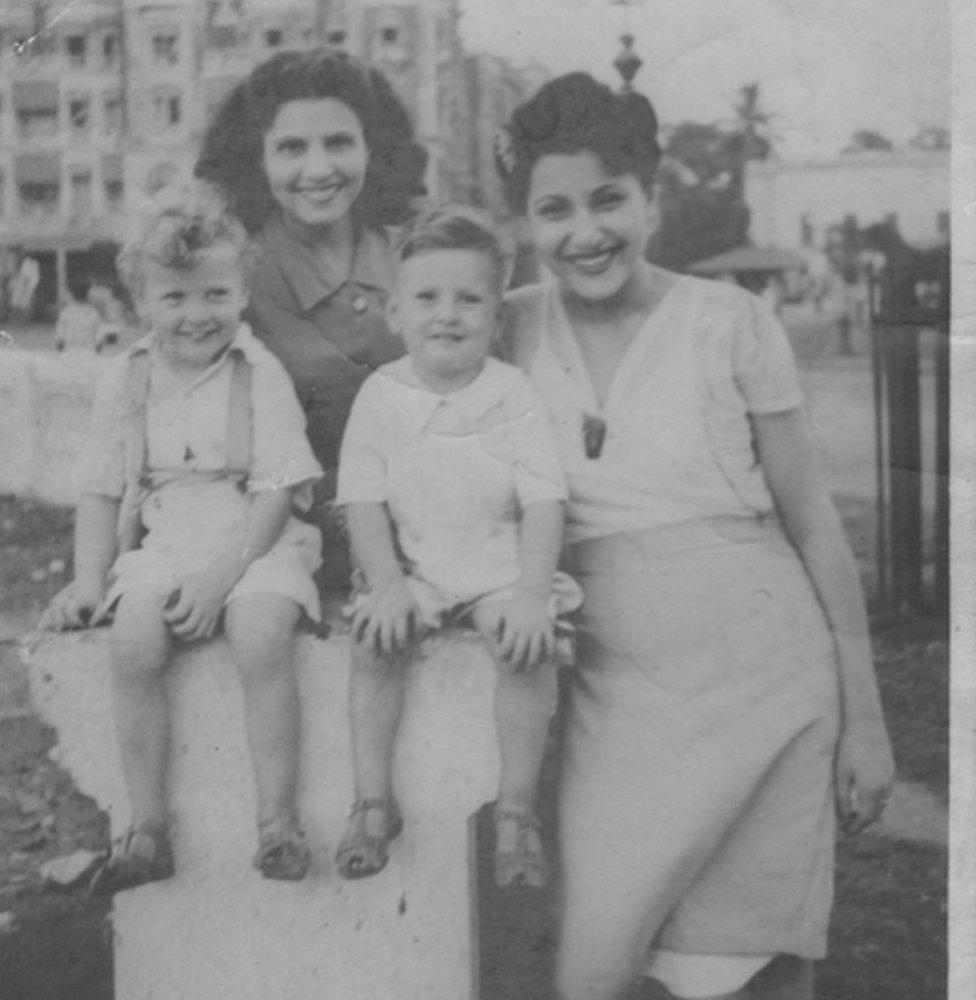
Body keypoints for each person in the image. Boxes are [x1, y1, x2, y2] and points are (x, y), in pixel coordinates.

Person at [495, 73, 895, 1000]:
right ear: (526, 223)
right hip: (615, 704)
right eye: (554, 211)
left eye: (609, 200)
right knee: (592, 966)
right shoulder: (508, 326)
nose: (584, 232)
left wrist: (867, 723)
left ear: (651, 200)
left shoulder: (731, 322)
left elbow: (814, 523)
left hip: (768, 688)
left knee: (751, 965)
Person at [39, 182, 324, 893]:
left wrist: (220, 579)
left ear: (240, 291)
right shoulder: (127, 381)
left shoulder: (259, 374)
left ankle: (277, 823)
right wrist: (86, 578)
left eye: (214, 295)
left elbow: (277, 490)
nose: (197, 315)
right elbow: (102, 490)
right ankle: (146, 828)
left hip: (255, 541)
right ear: (140, 302)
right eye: (175, 298)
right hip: (165, 542)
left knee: (261, 635)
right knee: (134, 640)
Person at [333, 206, 581, 886]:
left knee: (526, 647)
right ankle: (373, 803)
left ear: (496, 318)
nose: (447, 315)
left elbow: (542, 501)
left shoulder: (511, 393)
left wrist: (532, 593)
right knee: (375, 643)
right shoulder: (381, 396)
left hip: (499, 570)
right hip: (418, 572)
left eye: (469, 299)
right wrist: (385, 584)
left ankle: (517, 813)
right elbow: (362, 500)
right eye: (427, 298)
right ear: (394, 312)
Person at [196, 49, 428, 584]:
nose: (319, 170)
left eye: (340, 143)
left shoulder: (414, 254)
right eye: (292, 148)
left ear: (373, 148)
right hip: (288, 546)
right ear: (258, 160)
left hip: (422, 532)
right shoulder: (232, 277)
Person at [54, 278, 102, 352]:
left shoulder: (66, 313)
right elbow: (99, 343)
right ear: (88, 294)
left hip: (69, 356)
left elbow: (59, 342)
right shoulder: (94, 313)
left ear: (72, 294)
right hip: (89, 356)